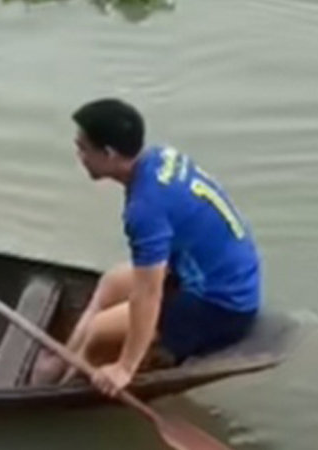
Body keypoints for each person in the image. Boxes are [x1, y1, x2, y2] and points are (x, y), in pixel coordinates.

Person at [30, 98, 261, 397]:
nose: (80, 157)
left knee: (100, 330)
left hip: (220, 304)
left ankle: (66, 388)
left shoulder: (145, 209)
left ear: (109, 154)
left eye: (84, 149)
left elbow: (148, 293)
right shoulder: (159, 157)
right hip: (212, 271)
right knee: (112, 283)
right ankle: (63, 361)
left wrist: (125, 368)